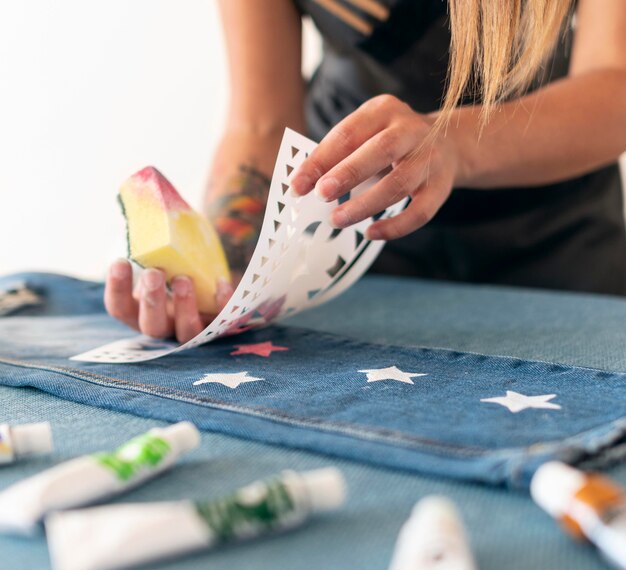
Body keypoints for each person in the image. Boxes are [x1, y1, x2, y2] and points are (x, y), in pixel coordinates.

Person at [105, 0, 626, 343]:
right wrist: (222, 278)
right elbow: (261, 124)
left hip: (559, 246)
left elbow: (615, 84)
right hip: (349, 248)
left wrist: (451, 144)